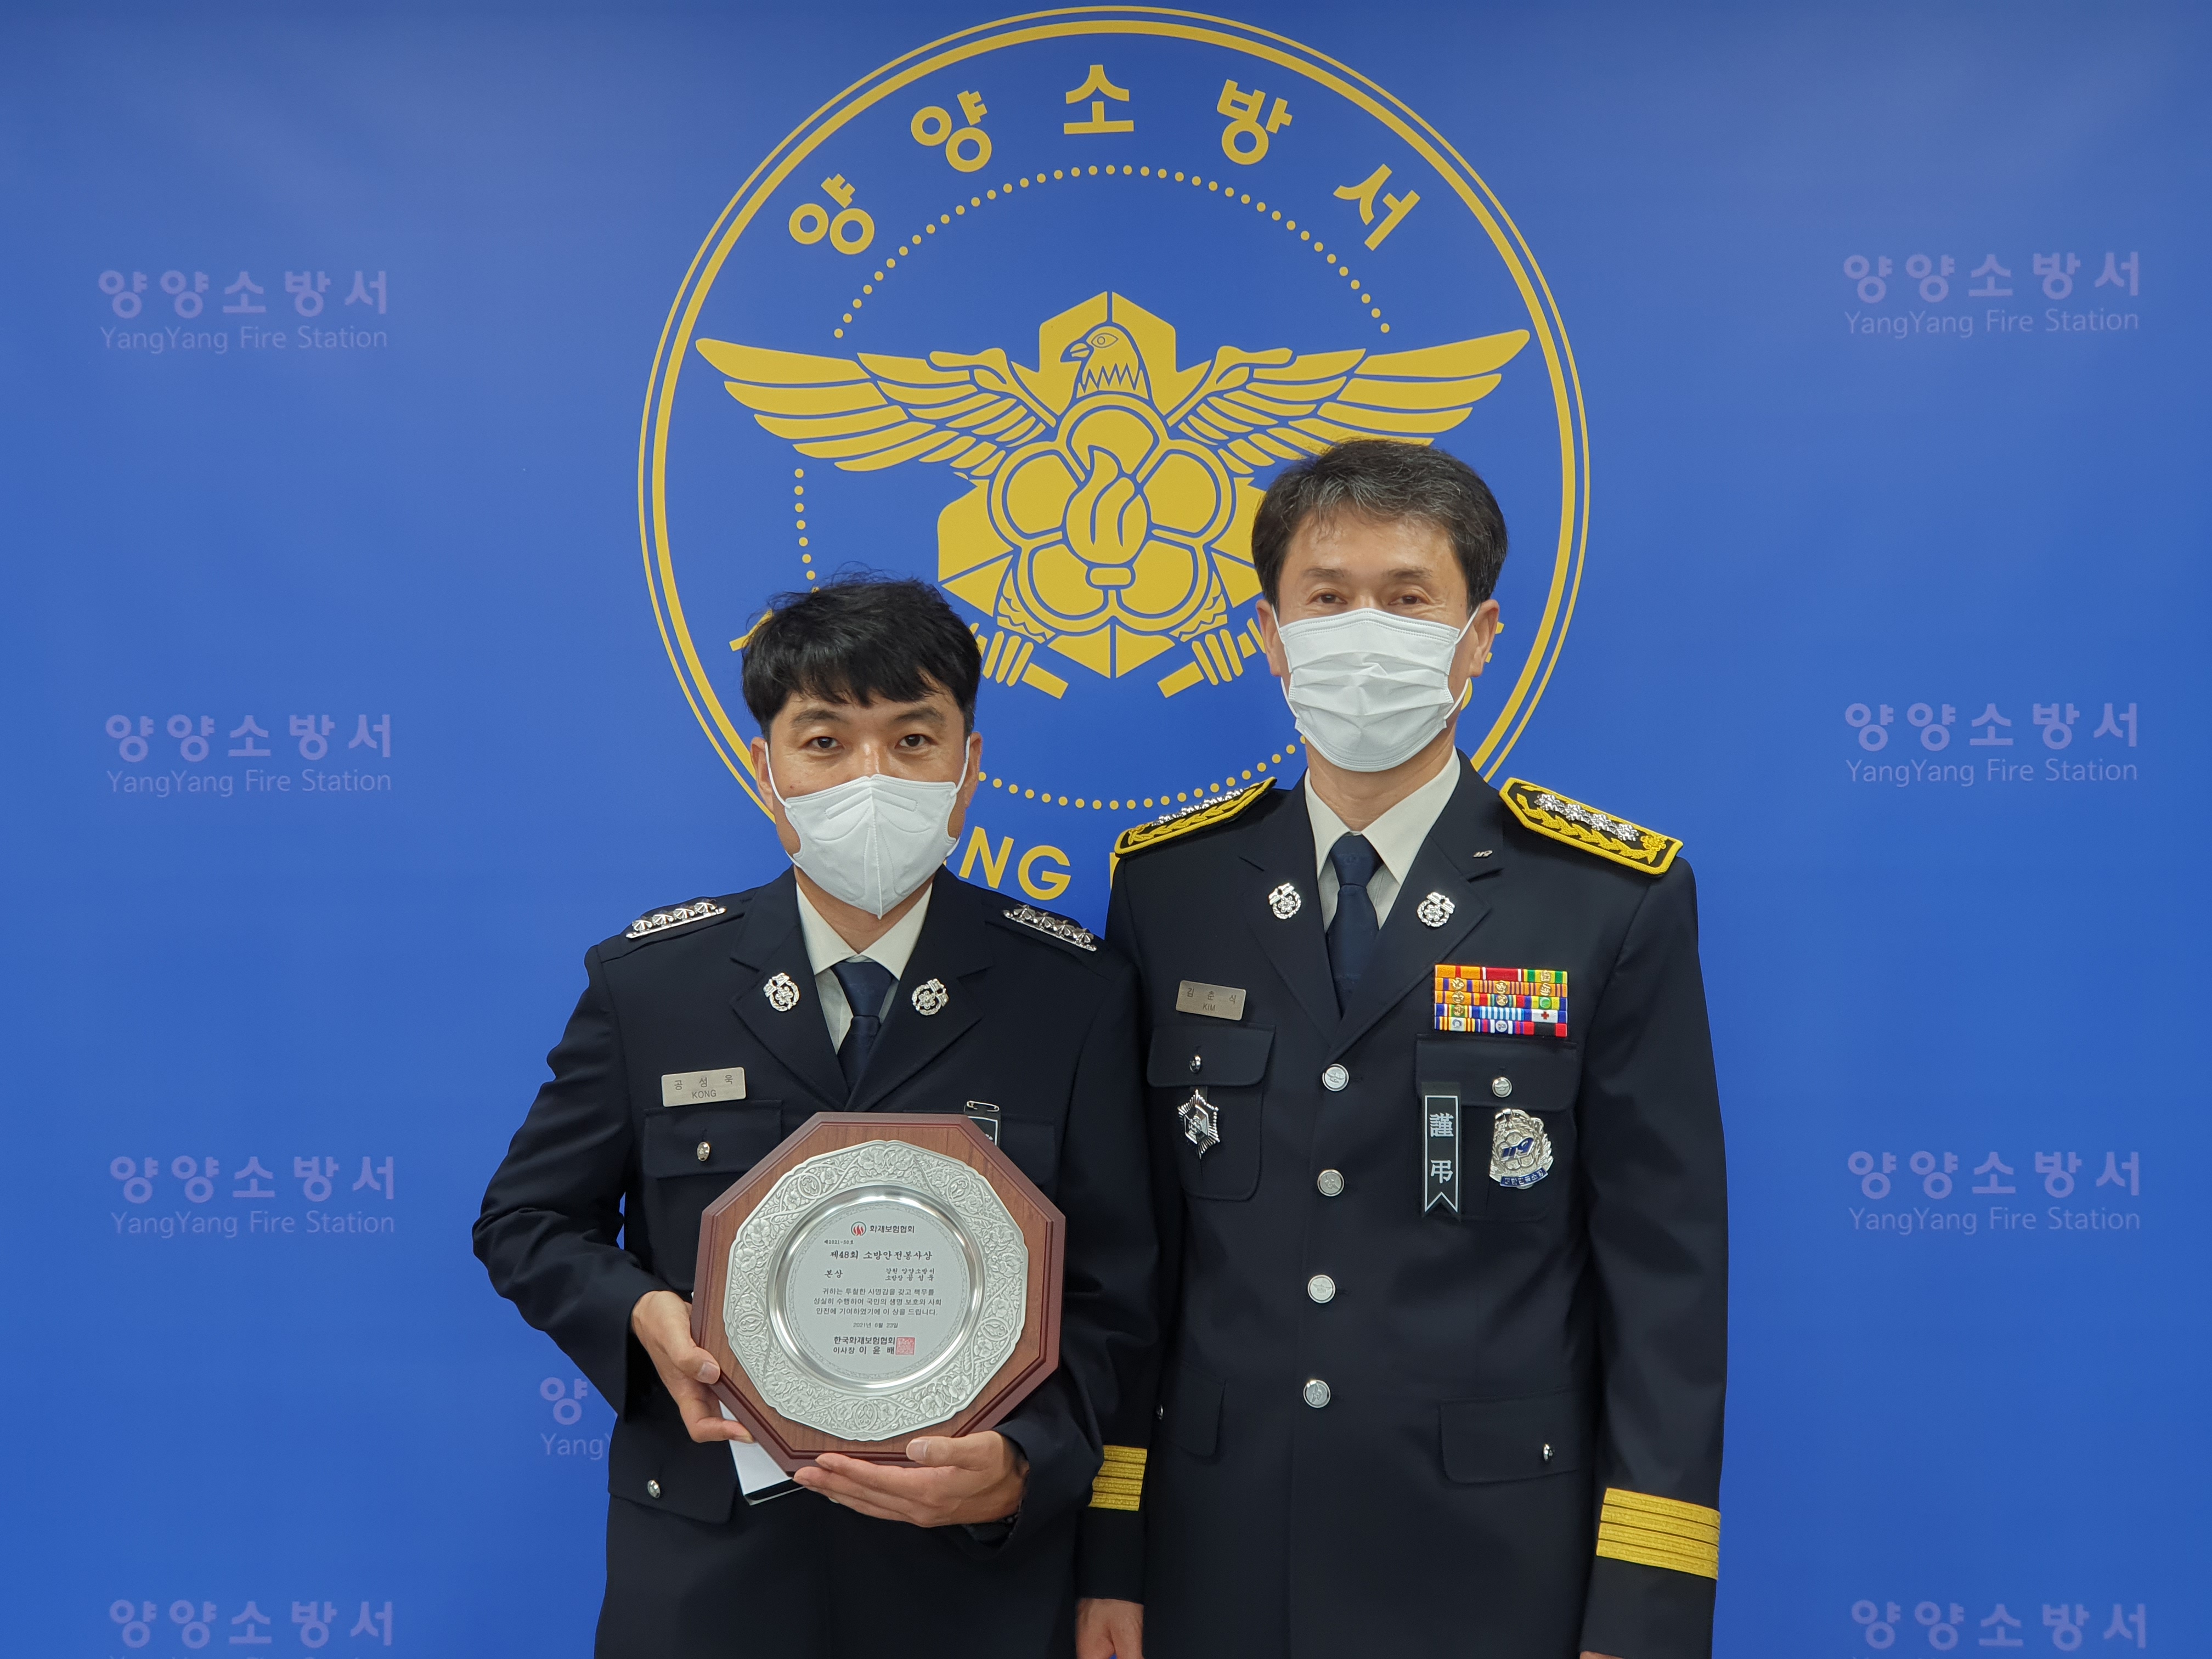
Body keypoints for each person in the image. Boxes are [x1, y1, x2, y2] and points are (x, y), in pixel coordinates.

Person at [1079, 439, 1726, 1659]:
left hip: (1494, 1558)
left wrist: (1642, 1611)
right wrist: (1110, 1546)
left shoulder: (1606, 899)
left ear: (1478, 639)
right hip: (1220, 1552)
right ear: (1270, 636)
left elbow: (1666, 1280)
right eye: (1326, 598)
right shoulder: (1172, 889)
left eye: (1407, 597)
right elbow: (1137, 1254)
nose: (1363, 631)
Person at [475, 576, 1156, 1658]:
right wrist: (642, 1315)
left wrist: (1027, 1461)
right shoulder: (652, 986)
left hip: (969, 1586)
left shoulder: (1072, 995)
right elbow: (527, 1222)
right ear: (768, 770)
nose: (869, 777)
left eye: (914, 740)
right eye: (826, 742)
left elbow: (1118, 1294)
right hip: (710, 1576)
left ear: (970, 765)